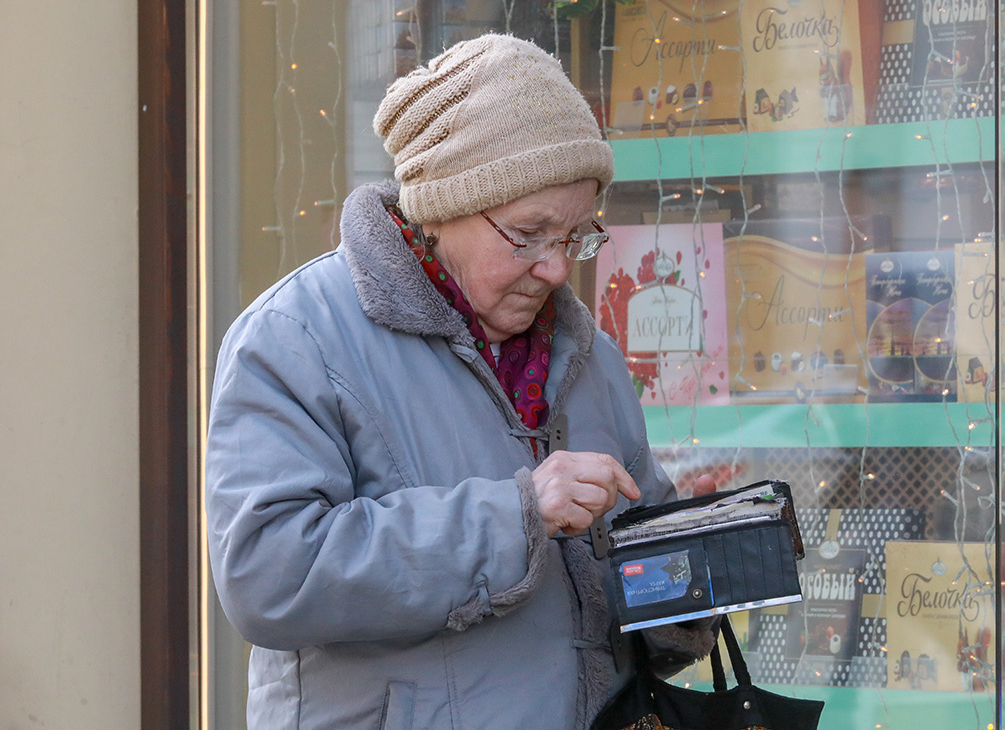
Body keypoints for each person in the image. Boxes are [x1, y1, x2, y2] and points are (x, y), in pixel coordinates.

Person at [205, 33, 717, 730]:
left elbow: (626, 569)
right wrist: (517, 516)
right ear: (442, 206)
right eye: (528, 233)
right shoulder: (295, 335)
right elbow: (269, 576)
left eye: (574, 236)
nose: (556, 268)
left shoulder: (586, 355)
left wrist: (698, 572)